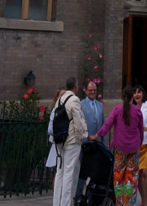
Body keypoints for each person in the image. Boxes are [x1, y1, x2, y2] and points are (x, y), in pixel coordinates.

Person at [95, 85, 144, 206]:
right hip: (134, 148)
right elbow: (140, 130)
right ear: (132, 97)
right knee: (131, 178)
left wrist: (96, 135)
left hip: (120, 148)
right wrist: (140, 143)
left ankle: (120, 202)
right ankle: (129, 202)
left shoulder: (117, 109)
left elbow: (107, 125)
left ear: (122, 97)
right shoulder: (137, 111)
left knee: (119, 176)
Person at [52, 76, 87, 206]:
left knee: (60, 172)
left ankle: (57, 203)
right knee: (68, 173)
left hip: (60, 139)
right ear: (76, 87)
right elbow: (78, 122)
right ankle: (65, 203)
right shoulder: (75, 100)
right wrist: (80, 138)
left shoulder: (59, 100)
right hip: (72, 141)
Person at [80, 80, 105, 144]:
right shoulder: (81, 105)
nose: (93, 92)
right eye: (90, 90)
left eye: (95, 90)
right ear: (86, 91)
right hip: (86, 143)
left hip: (98, 143)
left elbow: (103, 125)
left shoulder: (100, 105)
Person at [46, 86, 65, 170]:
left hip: (66, 145)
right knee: (58, 171)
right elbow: (50, 130)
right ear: (57, 97)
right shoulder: (55, 110)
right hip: (58, 143)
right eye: (61, 95)